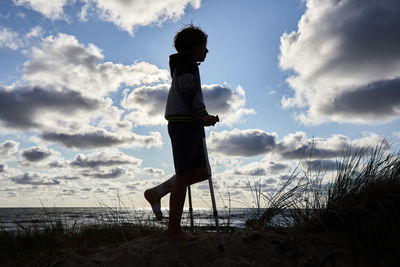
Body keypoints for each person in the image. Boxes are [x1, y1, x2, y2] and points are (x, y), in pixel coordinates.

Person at [144, 25, 218, 239]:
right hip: (184, 121)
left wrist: (200, 117)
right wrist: (203, 114)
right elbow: (188, 89)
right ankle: (174, 230)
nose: (207, 51)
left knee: (203, 171)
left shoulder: (186, 64)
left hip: (189, 122)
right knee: (185, 175)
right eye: (204, 47)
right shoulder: (187, 64)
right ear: (194, 47)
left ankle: (157, 192)